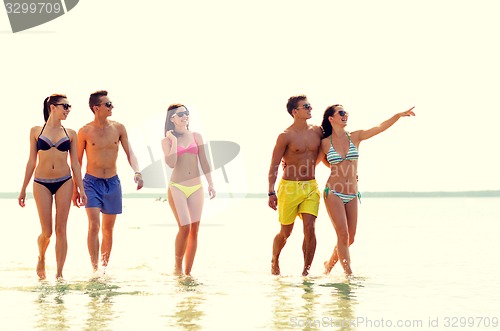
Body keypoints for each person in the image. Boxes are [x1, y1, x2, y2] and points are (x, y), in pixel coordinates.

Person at [319, 104, 415, 275]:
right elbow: (313, 161)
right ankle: (349, 275)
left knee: (350, 238)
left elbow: (379, 128)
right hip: (333, 192)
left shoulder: (356, 136)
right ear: (331, 118)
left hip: (352, 193)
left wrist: (398, 115)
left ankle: (328, 266)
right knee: (342, 234)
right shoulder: (324, 143)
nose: (345, 115)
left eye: (346, 112)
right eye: (341, 113)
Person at [72, 90, 143, 273]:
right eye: (108, 104)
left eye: (111, 104)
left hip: (112, 182)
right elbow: (77, 162)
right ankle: (94, 269)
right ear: (96, 108)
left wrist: (137, 172)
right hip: (91, 183)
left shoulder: (119, 128)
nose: (112, 107)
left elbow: (130, 153)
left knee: (108, 230)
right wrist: (76, 188)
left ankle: (104, 268)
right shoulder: (85, 131)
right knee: (94, 225)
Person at [18, 94, 87, 280]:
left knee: (61, 229)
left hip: (65, 180)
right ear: (52, 107)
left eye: (69, 106)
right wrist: (23, 188)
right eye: (65, 106)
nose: (68, 110)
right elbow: (31, 161)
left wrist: (80, 188)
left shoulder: (71, 134)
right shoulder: (36, 131)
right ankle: (41, 256)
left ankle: (59, 274)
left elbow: (76, 164)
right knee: (47, 232)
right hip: (41, 182)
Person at [268, 95, 323, 276]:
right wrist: (270, 191)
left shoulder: (317, 131)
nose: (310, 108)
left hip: (310, 186)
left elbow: (331, 148)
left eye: (310, 105)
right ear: (295, 112)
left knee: (310, 227)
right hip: (289, 187)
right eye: (306, 106)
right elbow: (274, 164)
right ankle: (275, 259)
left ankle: (305, 273)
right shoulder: (285, 136)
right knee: (286, 232)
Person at [161, 104, 216, 276]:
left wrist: (211, 183)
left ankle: (188, 273)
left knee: (194, 230)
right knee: (184, 227)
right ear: (172, 119)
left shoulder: (196, 136)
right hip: (177, 186)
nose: (185, 116)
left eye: (186, 113)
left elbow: (205, 161)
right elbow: (171, 163)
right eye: (181, 114)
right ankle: (177, 269)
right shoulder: (166, 141)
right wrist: (174, 141)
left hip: (196, 187)